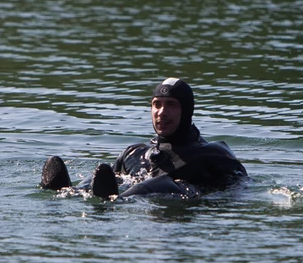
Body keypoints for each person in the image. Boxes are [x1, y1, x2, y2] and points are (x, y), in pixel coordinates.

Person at [40, 77, 247, 200]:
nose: (162, 112)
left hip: (180, 196)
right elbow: (105, 179)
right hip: (135, 201)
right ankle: (68, 190)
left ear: (187, 111)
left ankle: (118, 200)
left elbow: (242, 190)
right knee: (112, 175)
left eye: (171, 105)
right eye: (157, 104)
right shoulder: (135, 153)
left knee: (164, 182)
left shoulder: (214, 155)